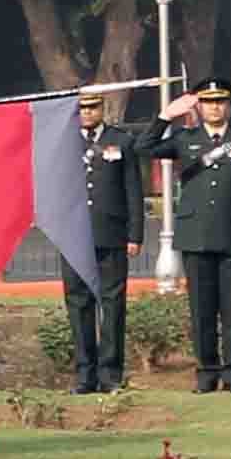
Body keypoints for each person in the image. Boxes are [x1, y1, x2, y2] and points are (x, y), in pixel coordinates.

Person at [166, 79, 231, 392]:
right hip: (195, 235)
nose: (215, 107)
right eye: (208, 101)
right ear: (199, 105)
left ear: (228, 105)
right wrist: (166, 116)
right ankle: (206, 372)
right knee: (201, 309)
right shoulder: (185, 138)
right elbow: (144, 147)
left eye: (220, 101)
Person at [72, 93, 148, 391]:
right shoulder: (64, 142)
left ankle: (110, 374)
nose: (88, 113)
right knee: (79, 305)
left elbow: (133, 190)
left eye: (93, 107)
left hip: (112, 233)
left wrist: (135, 233)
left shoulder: (122, 140)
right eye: (82, 108)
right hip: (74, 235)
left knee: (112, 303)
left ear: (102, 109)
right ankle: (84, 374)